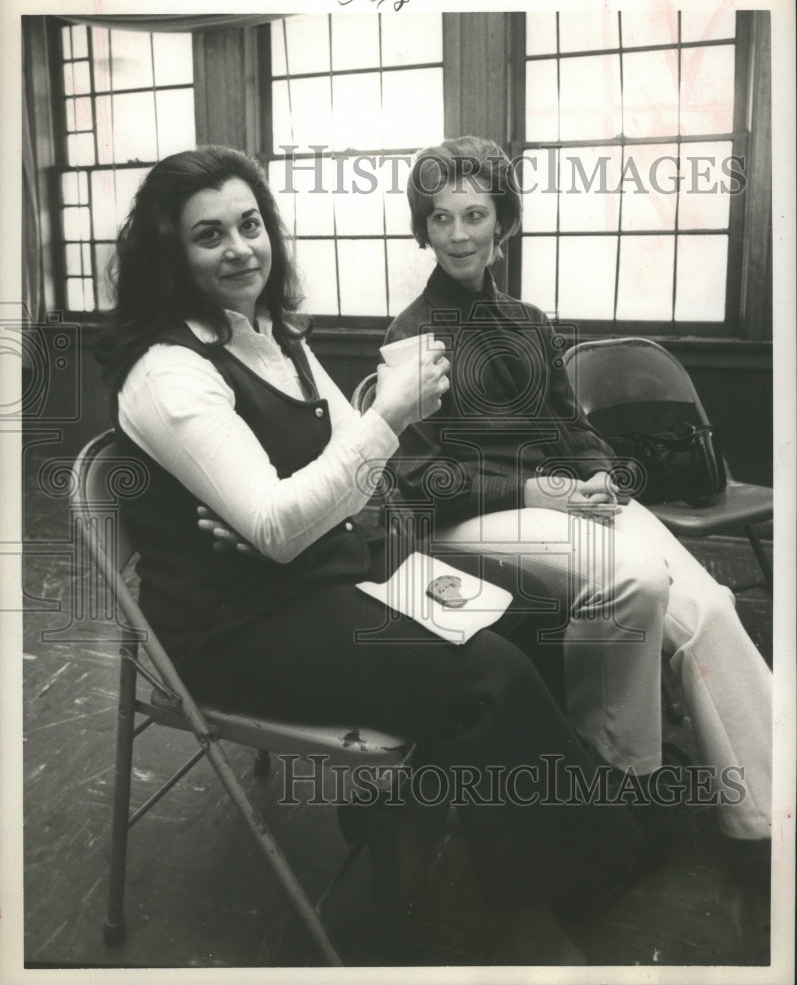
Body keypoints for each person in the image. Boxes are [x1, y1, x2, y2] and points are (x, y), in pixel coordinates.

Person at [96, 145, 645, 966]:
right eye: (208, 236)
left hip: (323, 566)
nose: (240, 248)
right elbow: (294, 510)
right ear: (171, 255)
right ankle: (530, 908)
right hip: (237, 623)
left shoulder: (270, 335)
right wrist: (348, 455)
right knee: (485, 679)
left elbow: (318, 489)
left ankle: (416, 807)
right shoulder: (169, 372)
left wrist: (289, 502)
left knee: (530, 606)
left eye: (251, 225)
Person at [382, 135, 772, 875]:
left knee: (712, 605)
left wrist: (602, 480)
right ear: (422, 229)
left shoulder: (529, 321)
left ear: (504, 224)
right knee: (636, 581)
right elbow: (421, 479)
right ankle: (613, 784)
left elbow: (571, 428)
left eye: (475, 215)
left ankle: (763, 809)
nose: (459, 234)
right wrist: (539, 490)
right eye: (440, 219)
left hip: (567, 503)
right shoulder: (410, 337)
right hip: (467, 522)